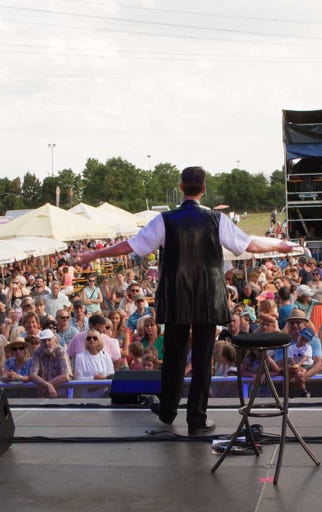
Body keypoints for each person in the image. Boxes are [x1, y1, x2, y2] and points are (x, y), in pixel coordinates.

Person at [74, 166, 292, 435]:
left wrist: (91, 256)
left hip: (176, 295)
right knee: (202, 359)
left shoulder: (164, 220)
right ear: (203, 189)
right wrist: (279, 245)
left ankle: (167, 412)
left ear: (180, 187)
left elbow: (130, 246)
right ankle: (196, 419)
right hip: (208, 297)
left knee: (174, 356)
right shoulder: (217, 219)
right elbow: (251, 246)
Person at [29, 328, 72, 398]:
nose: (47, 343)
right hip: (43, 395)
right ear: (40, 343)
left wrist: (48, 385)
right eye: (44, 341)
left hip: (60, 395)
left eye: (49, 340)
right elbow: (33, 375)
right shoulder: (37, 352)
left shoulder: (61, 351)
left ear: (55, 340)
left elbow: (66, 376)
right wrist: (47, 385)